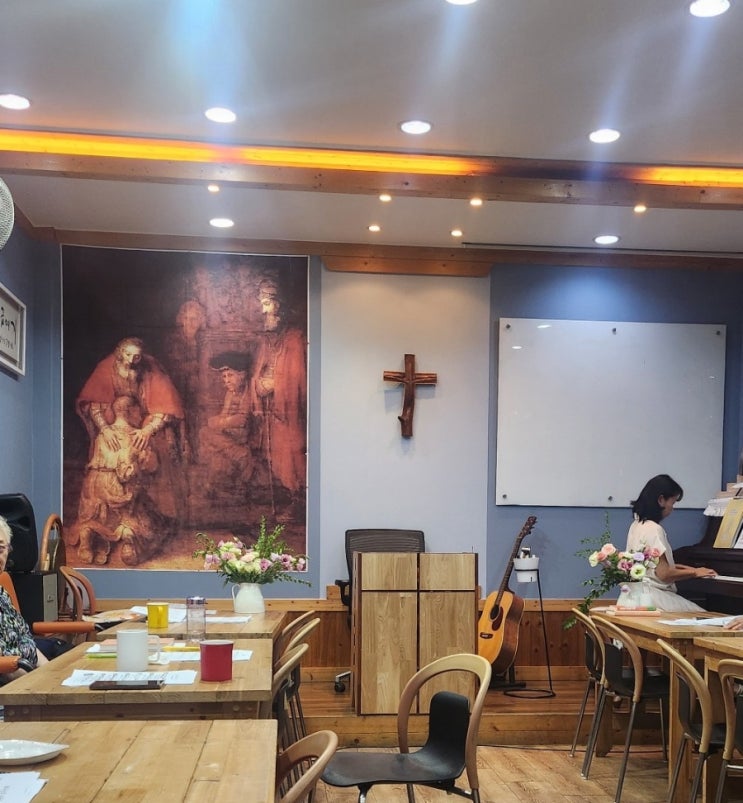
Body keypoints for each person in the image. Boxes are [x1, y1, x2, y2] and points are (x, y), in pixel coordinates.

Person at [74, 336, 185, 565]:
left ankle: (112, 533)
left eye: (137, 356)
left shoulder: (150, 371)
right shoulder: (106, 370)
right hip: (114, 432)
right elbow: (94, 403)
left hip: (142, 426)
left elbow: (165, 406)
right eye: (128, 355)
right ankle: (120, 533)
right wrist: (105, 429)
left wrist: (148, 430)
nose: (133, 360)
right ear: (119, 353)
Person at [251, 278, 307, 516]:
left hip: (290, 411)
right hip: (272, 410)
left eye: (266, 303)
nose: (263, 310)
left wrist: (274, 384)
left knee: (293, 454)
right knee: (277, 455)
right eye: (261, 303)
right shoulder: (268, 340)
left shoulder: (294, 338)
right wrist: (258, 384)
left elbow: (297, 377)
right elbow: (260, 370)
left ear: (279, 305)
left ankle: (300, 500)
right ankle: (290, 497)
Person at [626, 474, 717, 612]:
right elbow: (664, 574)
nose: (672, 508)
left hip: (636, 595)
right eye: (672, 503)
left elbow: (655, 566)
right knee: (704, 616)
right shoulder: (654, 529)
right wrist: (695, 572)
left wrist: (686, 569)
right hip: (655, 597)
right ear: (661, 500)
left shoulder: (636, 525)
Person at [0, 516, 48, 681]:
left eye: (1, 549)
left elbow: (27, 641)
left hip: (29, 676)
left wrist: (49, 676)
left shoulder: (2, 594)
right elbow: (6, 666)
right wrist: (37, 684)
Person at [199, 351, 254, 487]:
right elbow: (224, 414)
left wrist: (221, 422)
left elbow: (242, 419)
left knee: (211, 437)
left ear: (242, 375)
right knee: (204, 432)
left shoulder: (248, 392)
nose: (226, 380)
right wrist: (217, 421)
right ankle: (236, 454)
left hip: (242, 433)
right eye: (224, 376)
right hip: (228, 432)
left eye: (230, 375)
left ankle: (240, 454)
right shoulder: (230, 393)